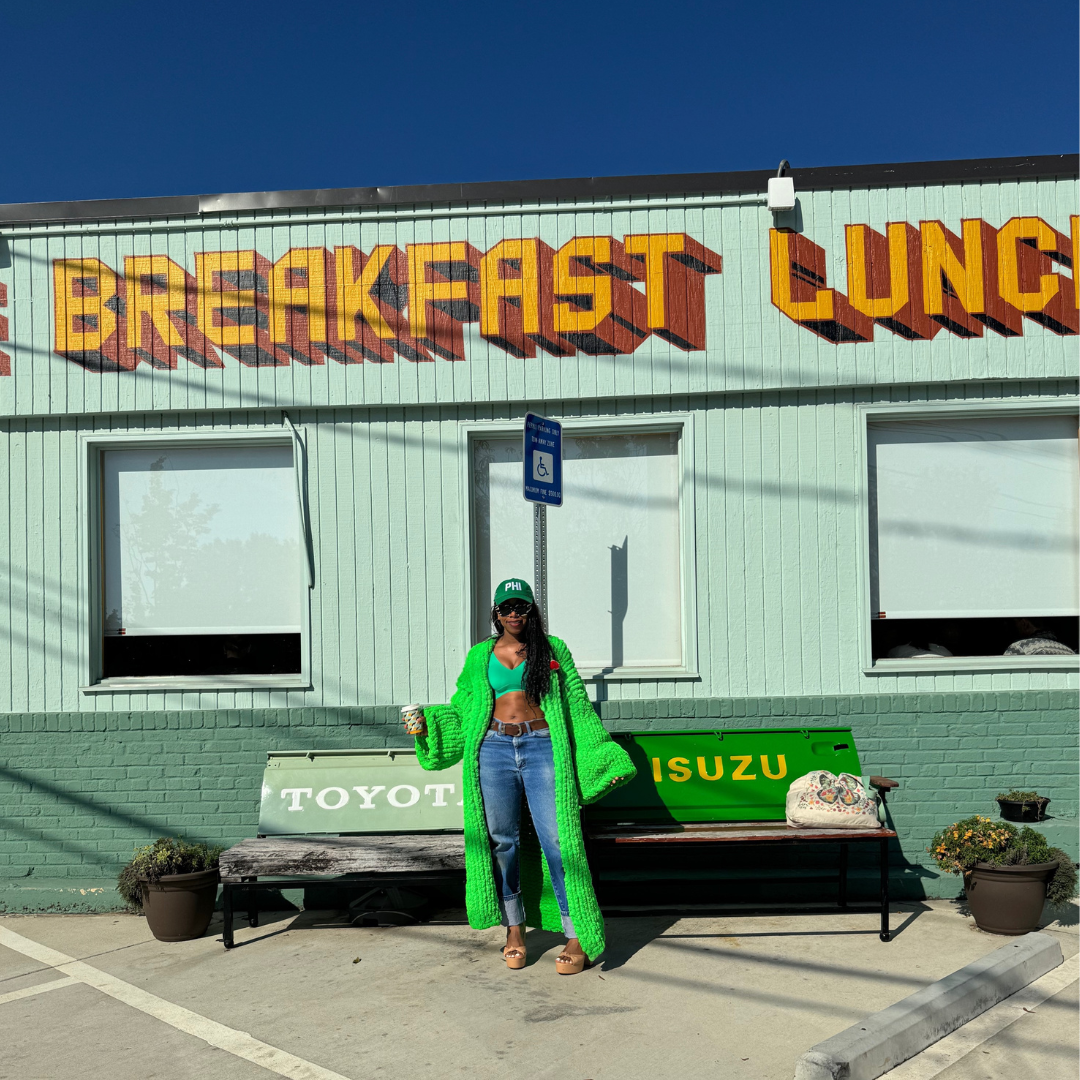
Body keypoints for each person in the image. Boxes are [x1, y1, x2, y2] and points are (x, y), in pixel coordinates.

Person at [405, 578, 635, 973]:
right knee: (502, 842)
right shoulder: (480, 656)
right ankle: (515, 929)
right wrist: (430, 725)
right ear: (495, 613)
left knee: (559, 841)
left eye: (522, 607)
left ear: (532, 611)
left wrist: (603, 758)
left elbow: (577, 707)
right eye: (507, 607)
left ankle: (575, 934)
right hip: (492, 749)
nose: (514, 614)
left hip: (543, 745)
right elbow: (465, 706)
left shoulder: (552, 649)